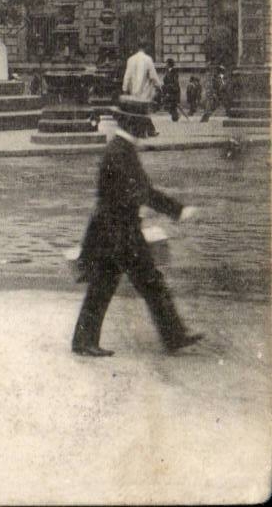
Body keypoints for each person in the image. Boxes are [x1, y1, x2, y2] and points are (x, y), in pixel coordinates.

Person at [72, 99, 202, 358]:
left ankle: (85, 341)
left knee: (112, 286)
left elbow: (135, 192)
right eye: (143, 125)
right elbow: (142, 192)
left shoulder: (121, 149)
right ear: (134, 125)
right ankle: (173, 336)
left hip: (114, 230)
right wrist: (177, 210)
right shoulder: (120, 153)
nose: (145, 131)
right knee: (138, 284)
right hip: (119, 232)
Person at [120, 42, 160, 138]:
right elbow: (153, 76)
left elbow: (127, 76)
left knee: (137, 111)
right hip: (144, 91)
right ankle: (144, 132)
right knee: (142, 111)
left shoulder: (130, 59)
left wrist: (124, 89)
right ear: (145, 48)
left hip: (133, 91)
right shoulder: (148, 59)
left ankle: (147, 131)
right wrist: (159, 86)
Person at [161, 58, 181, 123]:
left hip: (173, 91)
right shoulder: (167, 71)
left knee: (172, 105)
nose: (165, 65)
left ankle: (176, 116)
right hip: (168, 91)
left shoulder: (174, 72)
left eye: (166, 63)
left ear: (170, 64)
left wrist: (169, 87)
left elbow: (175, 83)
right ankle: (176, 116)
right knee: (169, 105)